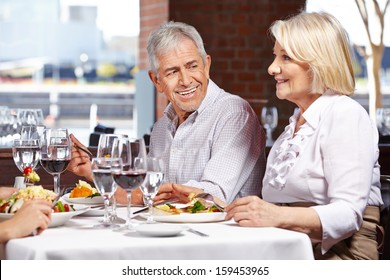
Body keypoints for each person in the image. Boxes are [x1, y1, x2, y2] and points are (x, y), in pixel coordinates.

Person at [223, 11, 384, 260]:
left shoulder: (345, 114)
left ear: (319, 63)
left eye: (285, 57)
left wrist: (276, 216)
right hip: (288, 250)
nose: (272, 68)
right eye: (275, 56)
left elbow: (349, 214)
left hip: (339, 255)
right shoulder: (292, 129)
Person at [68, 21, 266, 205]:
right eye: (172, 72)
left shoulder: (234, 113)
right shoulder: (162, 127)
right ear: (156, 81)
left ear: (207, 66)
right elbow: (148, 193)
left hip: (225, 238)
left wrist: (147, 194)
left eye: (192, 66)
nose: (186, 80)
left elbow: (213, 195)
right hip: (176, 234)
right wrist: (93, 171)